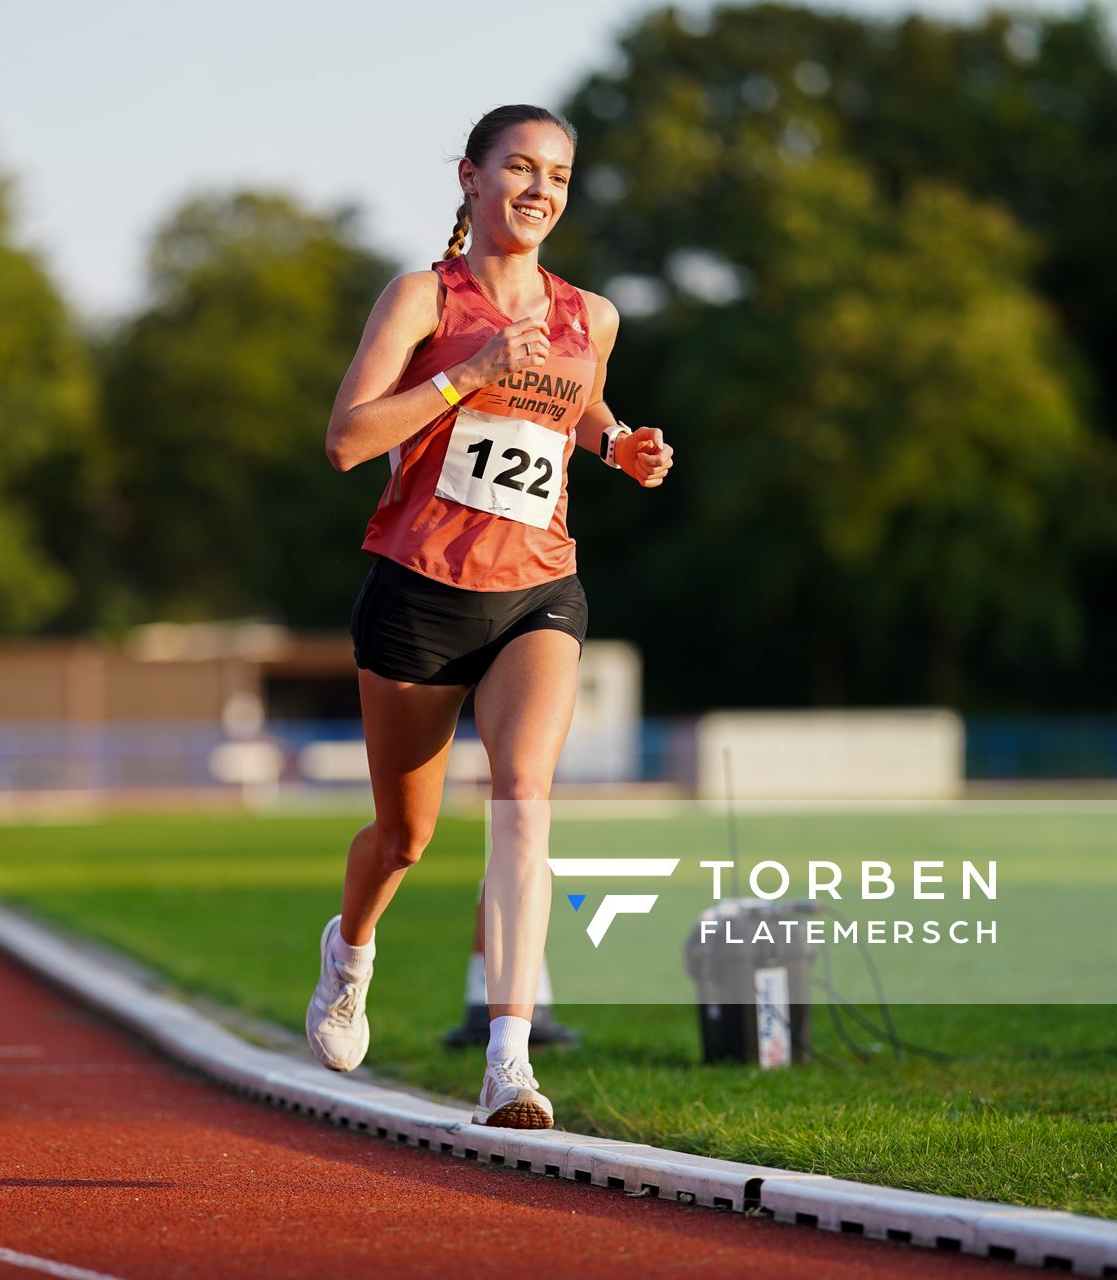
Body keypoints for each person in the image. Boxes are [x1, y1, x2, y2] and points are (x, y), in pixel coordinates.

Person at [306, 104, 673, 1129]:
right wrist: (464, 374)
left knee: (523, 798)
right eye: (518, 167)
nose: (539, 188)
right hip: (418, 592)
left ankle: (509, 1061)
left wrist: (618, 447)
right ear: (470, 177)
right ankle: (350, 952)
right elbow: (345, 439)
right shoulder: (424, 296)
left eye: (556, 173)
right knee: (404, 835)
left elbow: (581, 402)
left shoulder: (589, 314)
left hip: (536, 590)